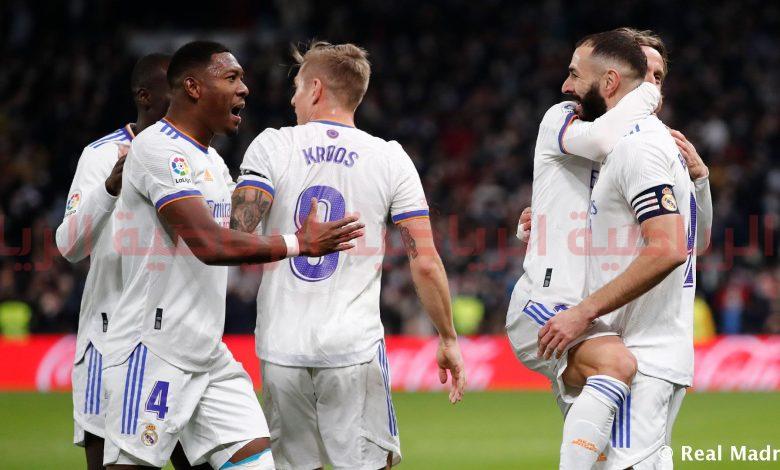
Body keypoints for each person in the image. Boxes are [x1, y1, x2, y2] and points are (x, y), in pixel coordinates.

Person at [101, 40, 364, 470]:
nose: (245, 88)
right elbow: (210, 244)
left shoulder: (211, 162)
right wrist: (300, 243)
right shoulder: (157, 148)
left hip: (206, 352)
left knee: (258, 461)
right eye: (231, 77)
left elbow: (241, 234)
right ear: (192, 87)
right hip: (150, 350)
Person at [231, 41, 466, 470]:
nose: (293, 99)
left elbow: (237, 233)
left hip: (281, 349)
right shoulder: (390, 158)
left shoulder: (272, 146)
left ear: (316, 89)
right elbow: (425, 261)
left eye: (298, 88)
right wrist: (448, 337)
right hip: (352, 349)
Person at [513, 29, 713, 469]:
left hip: (643, 346)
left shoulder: (644, 148)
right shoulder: (616, 141)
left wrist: (700, 181)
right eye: (645, 74)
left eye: (657, 77)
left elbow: (683, 245)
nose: (652, 85)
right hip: (622, 338)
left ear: (611, 80)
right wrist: (545, 223)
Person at [55, 53, 180, 470]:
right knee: (107, 460)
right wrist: (110, 187)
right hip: (107, 336)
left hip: (174, 339)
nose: (186, 98)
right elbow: (69, 245)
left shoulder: (195, 156)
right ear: (145, 96)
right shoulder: (100, 155)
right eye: (174, 90)